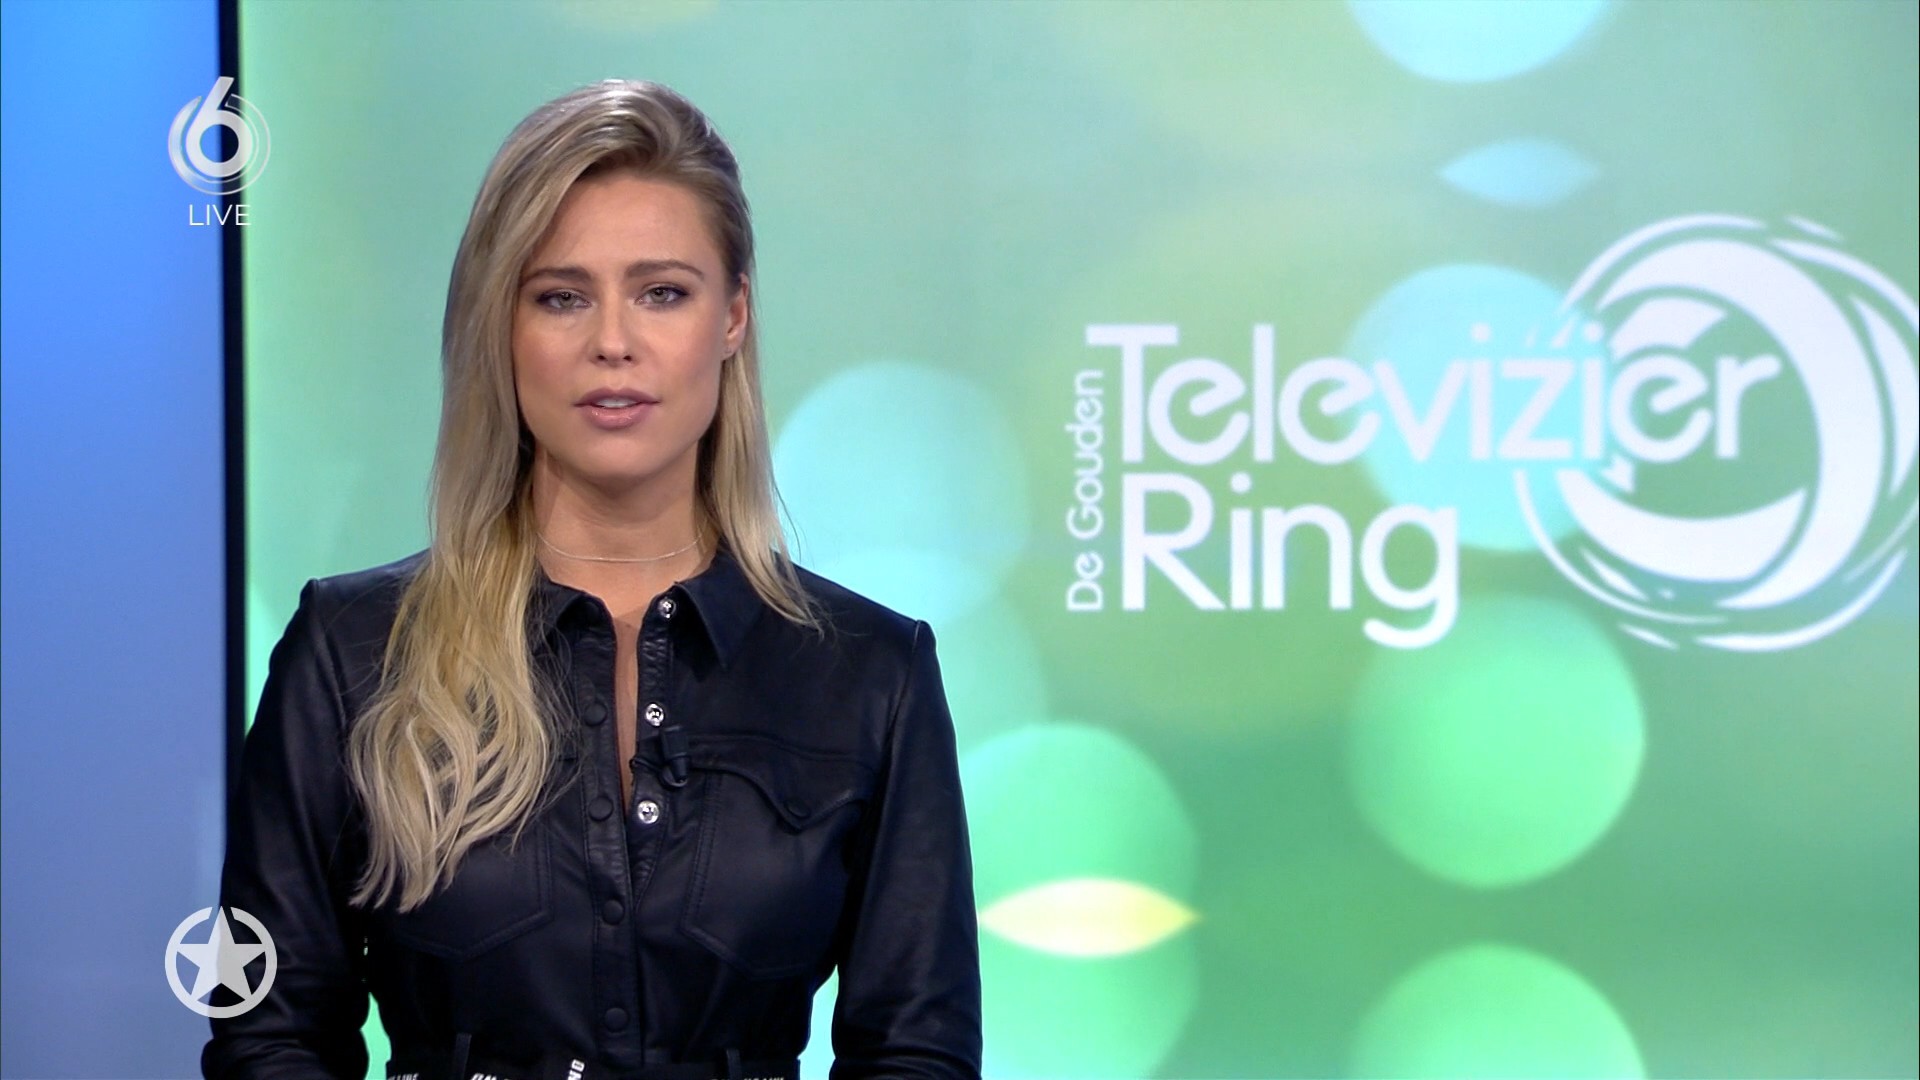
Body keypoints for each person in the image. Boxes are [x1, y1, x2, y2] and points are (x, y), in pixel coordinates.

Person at [202, 79, 982, 1080]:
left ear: (733, 317)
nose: (613, 341)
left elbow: (915, 1051)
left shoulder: (873, 671)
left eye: (663, 293)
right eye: (561, 296)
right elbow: (270, 1036)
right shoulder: (349, 653)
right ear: (502, 325)